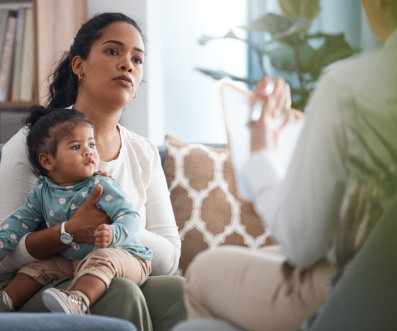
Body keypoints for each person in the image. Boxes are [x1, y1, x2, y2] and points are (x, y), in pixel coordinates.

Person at [181, 0, 397, 330]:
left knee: (202, 270)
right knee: (268, 251)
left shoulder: (349, 88)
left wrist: (262, 148)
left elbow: (303, 245)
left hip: (364, 289)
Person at [0, 12, 185, 330]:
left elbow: (169, 257)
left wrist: (115, 222)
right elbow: (6, 254)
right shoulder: (37, 142)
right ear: (79, 65)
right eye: (113, 51)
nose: (127, 64)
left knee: (181, 292)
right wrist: (69, 230)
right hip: (38, 283)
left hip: (116, 268)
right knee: (120, 294)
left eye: (137, 59)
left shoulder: (143, 153)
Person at [0, 107, 152, 314]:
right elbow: (21, 220)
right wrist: (4, 240)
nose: (89, 151)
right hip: (74, 260)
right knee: (34, 268)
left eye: (91, 144)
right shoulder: (42, 191)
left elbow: (131, 216)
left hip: (127, 257)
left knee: (101, 260)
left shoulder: (101, 185)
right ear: (47, 160)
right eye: (76, 146)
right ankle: (7, 300)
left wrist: (114, 232)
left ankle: (78, 301)